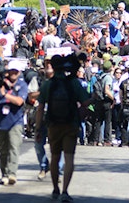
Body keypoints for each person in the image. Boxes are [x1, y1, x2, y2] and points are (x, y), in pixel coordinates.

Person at [35, 54, 90, 202]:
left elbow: (40, 108)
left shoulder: (48, 84)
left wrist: (38, 128)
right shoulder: (73, 83)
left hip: (53, 124)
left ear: (52, 65)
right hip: (70, 123)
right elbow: (85, 102)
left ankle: (55, 189)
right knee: (69, 157)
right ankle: (65, 190)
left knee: (54, 156)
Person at [0, 59, 28, 186]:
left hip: (15, 121)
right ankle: (4, 174)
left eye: (15, 72)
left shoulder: (22, 85)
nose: (13, 74)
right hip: (0, 121)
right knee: (2, 149)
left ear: (19, 72)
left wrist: (5, 95)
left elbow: (19, 101)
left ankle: (12, 174)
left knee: (13, 147)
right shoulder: (0, 85)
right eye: (11, 71)